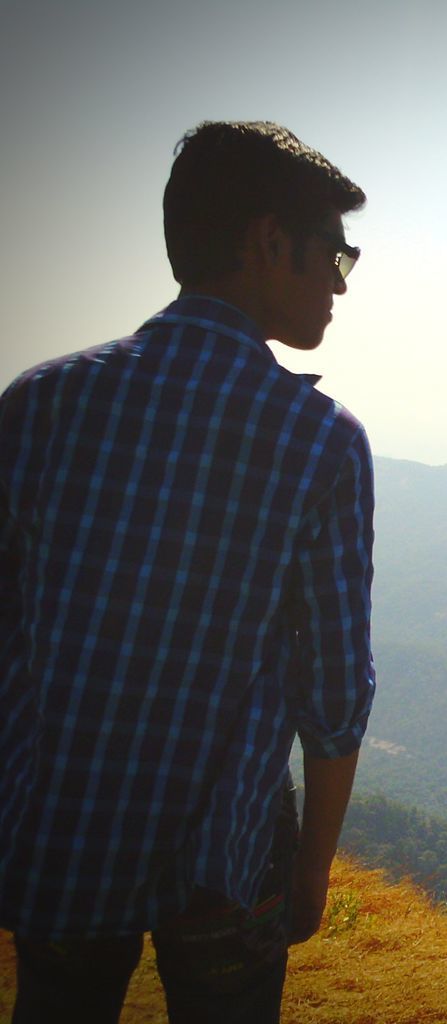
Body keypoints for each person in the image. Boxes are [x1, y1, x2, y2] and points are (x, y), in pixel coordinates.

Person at [0, 120, 375, 1022]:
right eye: (336, 253)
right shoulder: (317, 440)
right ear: (268, 241)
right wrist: (312, 870)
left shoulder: (38, 404)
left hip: (59, 839)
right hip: (227, 863)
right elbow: (331, 695)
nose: (340, 281)